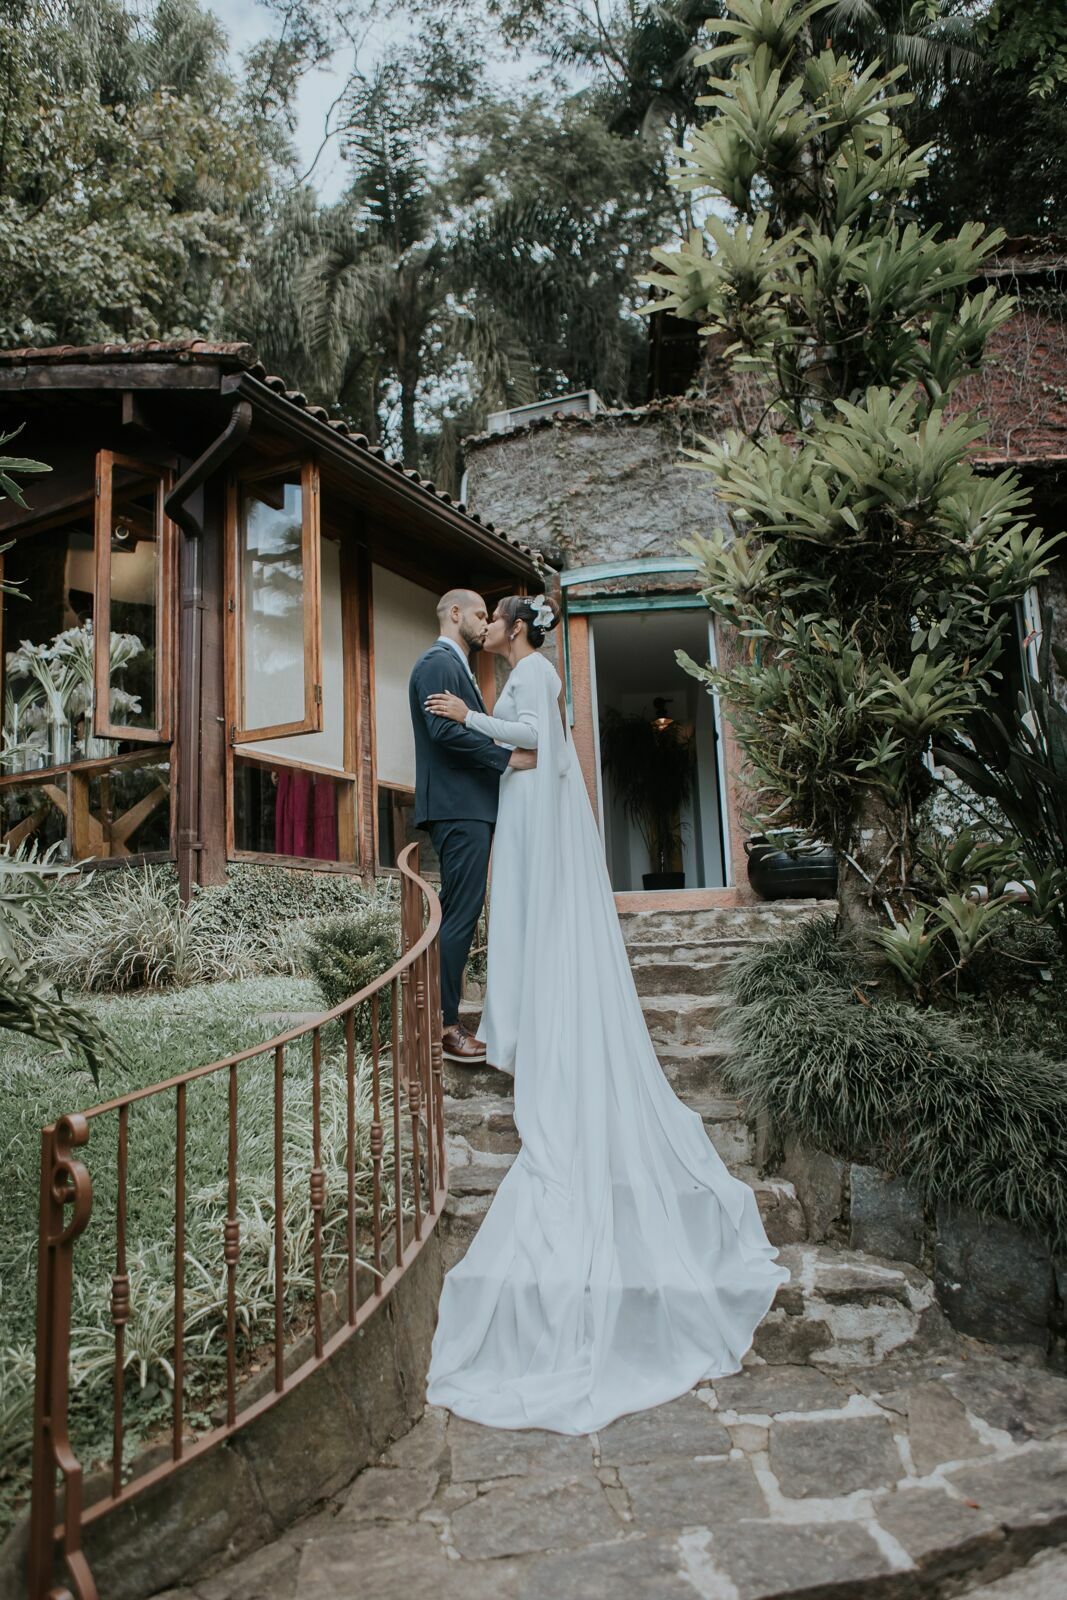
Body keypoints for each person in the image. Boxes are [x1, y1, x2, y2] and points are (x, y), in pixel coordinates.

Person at [422, 593, 788, 1435]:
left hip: (528, 813)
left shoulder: (539, 671)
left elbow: (533, 743)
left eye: (495, 619)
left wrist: (464, 720)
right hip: (521, 810)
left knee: (527, 918)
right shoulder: (526, 669)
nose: (489, 628)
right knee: (515, 921)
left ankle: (533, 1021)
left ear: (514, 627)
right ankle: (521, 1017)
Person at [408, 590, 535, 1064]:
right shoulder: (436, 664)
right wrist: (508, 759)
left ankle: (439, 1016)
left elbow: (465, 725)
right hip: (458, 809)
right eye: (480, 615)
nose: (486, 624)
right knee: (459, 912)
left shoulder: (458, 667)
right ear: (456, 614)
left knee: (461, 908)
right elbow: (444, 733)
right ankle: (443, 1024)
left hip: (470, 808)